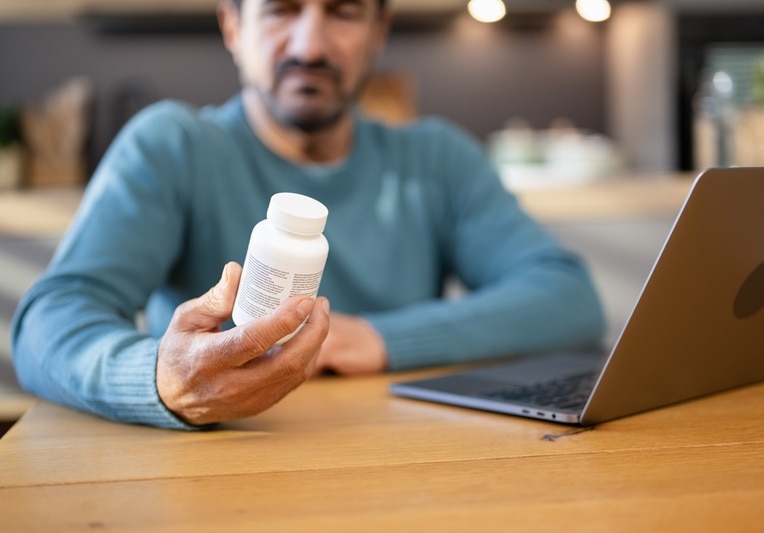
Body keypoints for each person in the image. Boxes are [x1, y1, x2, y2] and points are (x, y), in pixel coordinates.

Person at [12, 0, 606, 430]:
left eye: (343, 12)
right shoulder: (172, 147)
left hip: (399, 464)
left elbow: (569, 297)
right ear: (231, 24)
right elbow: (46, 323)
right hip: (216, 473)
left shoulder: (435, 158)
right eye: (281, 10)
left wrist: (375, 338)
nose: (310, 47)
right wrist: (161, 381)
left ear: (379, 31)